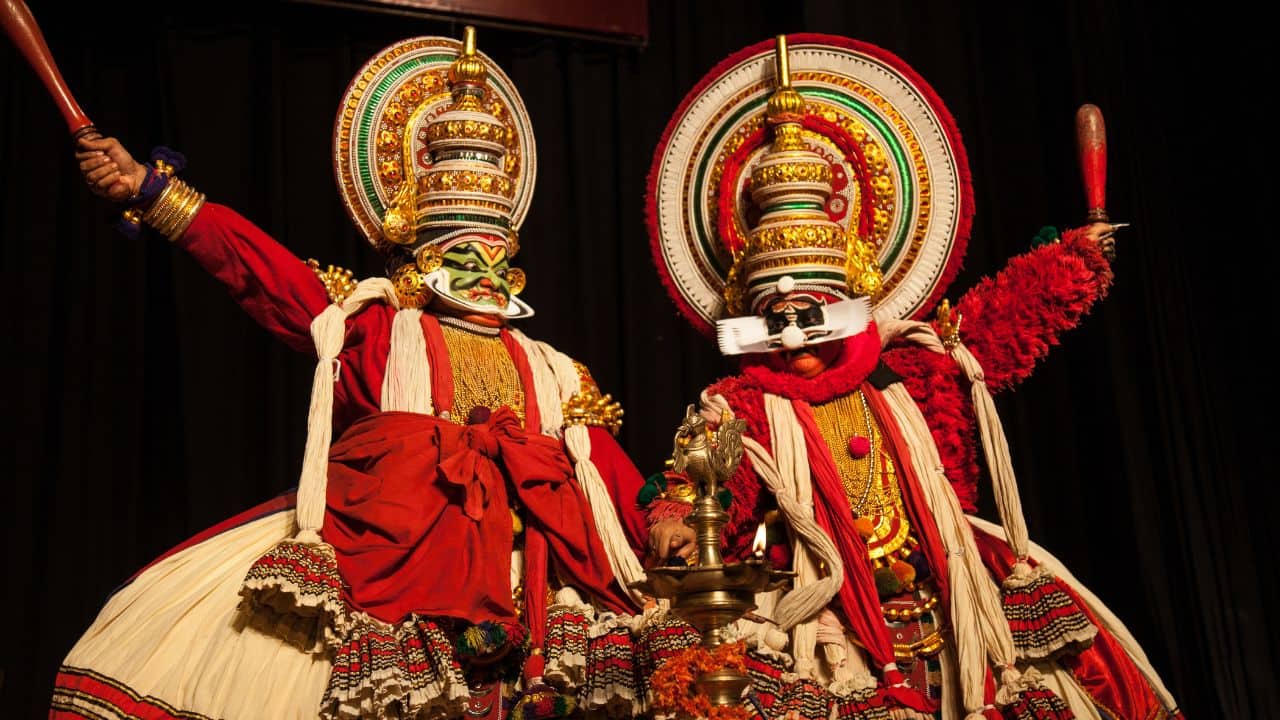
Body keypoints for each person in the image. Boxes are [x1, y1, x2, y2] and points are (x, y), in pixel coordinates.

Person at [51, 29, 654, 720]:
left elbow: (607, 479)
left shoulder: (554, 370)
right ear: (423, 260)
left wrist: (672, 517)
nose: (483, 277)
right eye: (465, 257)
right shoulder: (376, 330)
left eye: (496, 258)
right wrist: (155, 191)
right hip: (390, 583)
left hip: (541, 602)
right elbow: (264, 276)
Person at [641, 34, 1184, 719]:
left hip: (951, 597)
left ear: (850, 301)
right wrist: (674, 515)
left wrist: (1071, 261)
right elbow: (696, 480)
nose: (797, 331)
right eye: (776, 315)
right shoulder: (742, 407)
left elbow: (998, 323)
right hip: (824, 625)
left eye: (814, 310)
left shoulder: (911, 371)